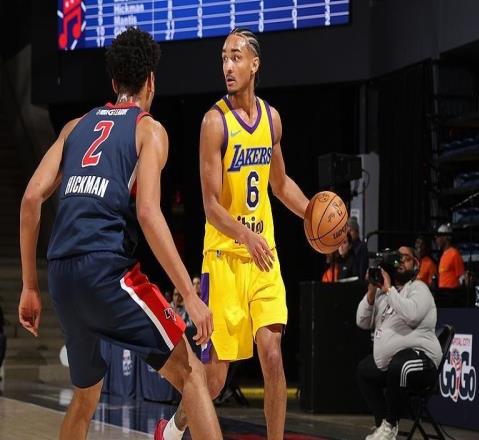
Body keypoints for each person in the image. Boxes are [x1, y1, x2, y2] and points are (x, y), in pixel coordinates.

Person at [18, 28, 222, 440]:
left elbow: (30, 200)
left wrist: (29, 287)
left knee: (85, 396)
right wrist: (190, 295)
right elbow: (148, 212)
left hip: (62, 276)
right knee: (193, 374)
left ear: (113, 83)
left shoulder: (74, 127)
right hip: (107, 272)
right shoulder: (149, 130)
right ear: (151, 81)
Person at [159, 28, 309, 440]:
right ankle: (174, 427)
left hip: (264, 257)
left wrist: (311, 211)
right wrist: (246, 235)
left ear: (254, 64)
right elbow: (210, 205)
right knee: (213, 381)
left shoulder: (271, 119)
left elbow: (280, 184)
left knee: (272, 356)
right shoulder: (214, 122)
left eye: (236, 57)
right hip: (224, 258)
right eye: (224, 58)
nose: (228, 65)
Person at [356, 246, 442, 440]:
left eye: (407, 258)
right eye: (398, 258)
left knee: (399, 365)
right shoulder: (383, 295)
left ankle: (391, 424)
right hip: (394, 364)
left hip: (422, 362)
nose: (401, 261)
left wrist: (388, 290)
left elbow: (412, 315)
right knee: (364, 370)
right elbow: (361, 321)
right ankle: (383, 426)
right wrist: (372, 290)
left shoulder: (419, 288)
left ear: (416, 264)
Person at [435, 224, 465, 290]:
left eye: (439, 236)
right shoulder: (442, 255)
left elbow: (462, 278)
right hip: (443, 294)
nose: (436, 238)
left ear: (446, 237)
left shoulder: (454, 254)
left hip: (452, 294)